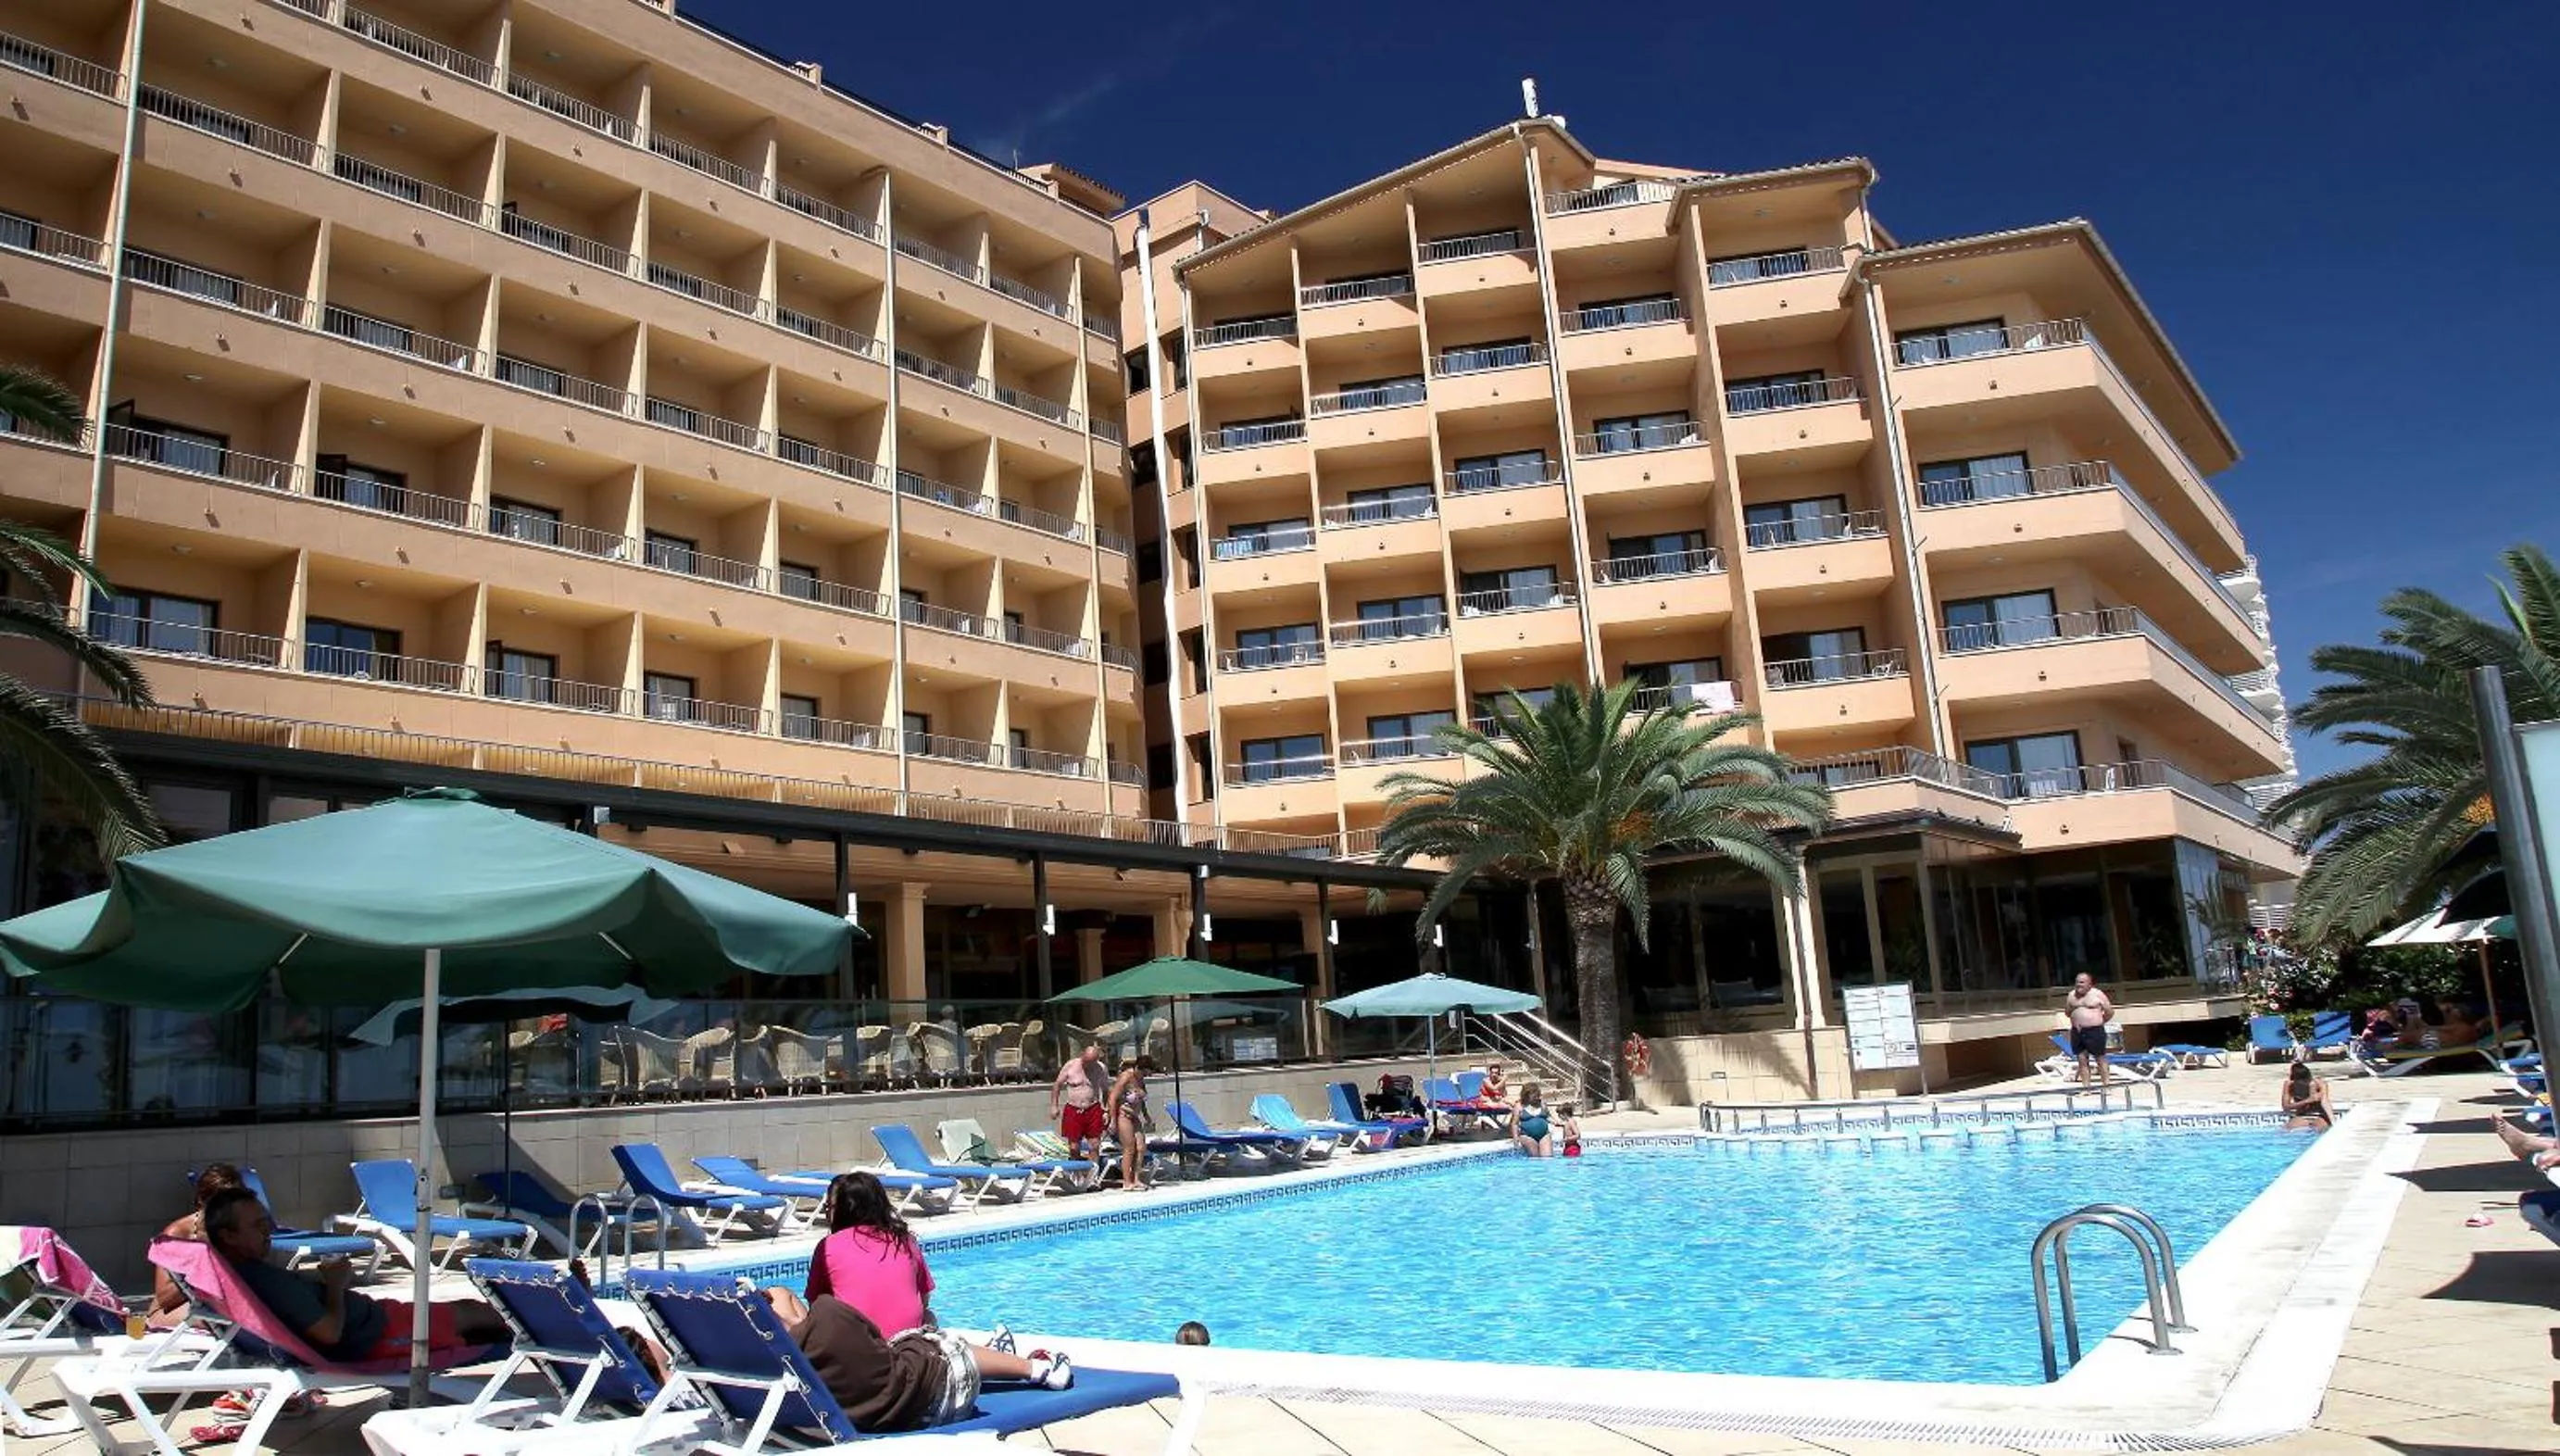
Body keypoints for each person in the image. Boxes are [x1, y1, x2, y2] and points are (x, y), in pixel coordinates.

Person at [201, 1188, 508, 1362]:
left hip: (375, 1320)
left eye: (267, 1223)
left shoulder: (233, 1276)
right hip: (381, 1334)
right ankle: (546, 1336)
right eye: (257, 1226)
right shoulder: (266, 1282)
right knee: (478, 1313)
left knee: (474, 1314)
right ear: (229, 1236)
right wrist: (337, 1284)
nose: (268, 1231)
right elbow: (330, 1334)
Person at [757, 1287, 1069, 1432]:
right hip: (934, 1398)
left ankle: (997, 1352)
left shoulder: (762, 1368)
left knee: (917, 1348)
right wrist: (788, 1304)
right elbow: (877, 1339)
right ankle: (1039, 1369)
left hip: (877, 1416)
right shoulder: (828, 1314)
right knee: (935, 1343)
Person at [805, 1173, 935, 1337]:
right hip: (908, 1346)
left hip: (861, 1351)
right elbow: (924, 1298)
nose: (826, 1214)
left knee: (783, 1298)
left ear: (847, 1209)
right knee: (930, 1316)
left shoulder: (828, 1247)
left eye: (829, 1207)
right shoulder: (905, 1240)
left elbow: (816, 1306)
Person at [1106, 1054, 1156, 1193]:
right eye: (1148, 1071)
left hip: (1135, 1117)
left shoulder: (1141, 1080)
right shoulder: (1126, 1077)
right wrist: (1113, 1121)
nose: (1149, 1074)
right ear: (1141, 1068)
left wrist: (1147, 1117)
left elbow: (1142, 1101)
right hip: (1123, 1115)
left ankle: (1136, 1179)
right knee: (1129, 1149)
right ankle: (1126, 1182)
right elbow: (1112, 1098)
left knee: (1141, 1147)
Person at [1051, 1040, 1109, 1161]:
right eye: (1085, 1062)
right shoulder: (1071, 1065)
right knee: (1074, 1147)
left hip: (1093, 1108)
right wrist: (1054, 1106)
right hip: (1073, 1109)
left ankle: (1093, 1175)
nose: (1087, 1065)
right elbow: (1057, 1085)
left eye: (1091, 1063)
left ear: (1096, 1061)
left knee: (1094, 1145)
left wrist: (1106, 1110)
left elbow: (1105, 1090)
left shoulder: (1101, 1069)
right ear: (1082, 1055)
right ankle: (1077, 1175)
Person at [2064, 973, 2115, 1086]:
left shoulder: (2097, 994)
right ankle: (2086, 1088)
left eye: (2082, 982)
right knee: (2082, 1060)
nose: (2078, 985)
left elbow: (2109, 1012)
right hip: (2077, 1032)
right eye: (2077, 982)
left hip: (2095, 1031)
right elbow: (2067, 1012)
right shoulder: (2071, 995)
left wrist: (2099, 1022)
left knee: (2100, 1058)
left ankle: (2107, 1085)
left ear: (2090, 984)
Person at [2279, 1062, 2334, 1132]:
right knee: (2285, 1131)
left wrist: (2333, 1122)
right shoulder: (2290, 1085)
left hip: (2319, 1115)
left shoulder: (2319, 1084)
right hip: (2302, 1115)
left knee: (2322, 1130)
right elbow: (2286, 1106)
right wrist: (2308, 1100)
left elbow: (2325, 1102)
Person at [1510, 1083, 1558, 1158]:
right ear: (1526, 1095)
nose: (1536, 1097)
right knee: (1535, 1159)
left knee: (1548, 1158)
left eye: (1537, 1095)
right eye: (1533, 1095)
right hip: (1527, 1136)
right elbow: (1515, 1124)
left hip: (1544, 1135)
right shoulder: (1519, 1106)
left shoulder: (1542, 1103)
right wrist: (1516, 1139)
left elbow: (1548, 1116)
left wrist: (1555, 1122)